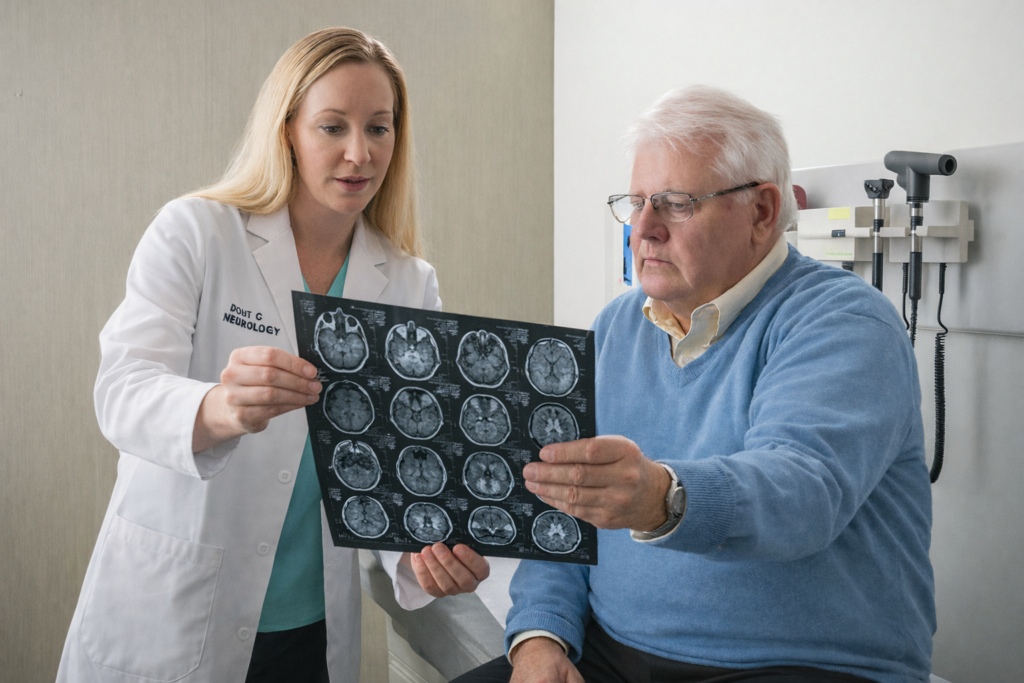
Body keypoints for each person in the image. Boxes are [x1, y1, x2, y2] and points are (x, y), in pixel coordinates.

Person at [456, 86, 936, 683]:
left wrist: (662, 497)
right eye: (637, 202)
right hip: (614, 653)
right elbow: (564, 512)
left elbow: (803, 494)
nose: (644, 229)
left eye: (677, 204)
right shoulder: (615, 328)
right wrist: (538, 636)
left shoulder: (843, 322)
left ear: (762, 212)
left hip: (803, 664)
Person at [57, 27, 490, 683]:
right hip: (175, 606)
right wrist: (218, 406)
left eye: (378, 127)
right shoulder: (197, 232)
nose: (359, 152)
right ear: (287, 130)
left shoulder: (408, 283)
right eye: (332, 126)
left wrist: (420, 556)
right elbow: (122, 389)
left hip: (311, 624)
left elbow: (400, 468)